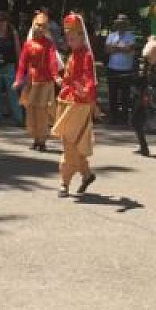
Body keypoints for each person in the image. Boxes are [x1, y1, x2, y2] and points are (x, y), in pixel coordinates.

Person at [51, 13, 98, 198]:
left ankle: (64, 183)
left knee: (70, 145)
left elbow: (89, 80)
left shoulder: (86, 56)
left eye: (72, 36)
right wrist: (60, 80)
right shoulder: (72, 55)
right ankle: (86, 174)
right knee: (71, 144)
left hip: (79, 105)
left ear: (81, 36)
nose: (69, 40)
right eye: (67, 36)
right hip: (67, 102)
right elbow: (69, 79)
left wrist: (83, 90)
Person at [15, 12, 58, 151]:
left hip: (45, 82)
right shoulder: (28, 44)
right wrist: (18, 80)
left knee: (42, 111)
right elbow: (22, 63)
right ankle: (35, 138)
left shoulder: (49, 44)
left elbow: (52, 61)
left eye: (43, 26)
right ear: (33, 25)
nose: (40, 28)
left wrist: (55, 75)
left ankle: (42, 140)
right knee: (31, 111)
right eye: (38, 25)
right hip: (31, 82)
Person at [104, 14, 137, 125]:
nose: (121, 24)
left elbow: (130, 49)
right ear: (116, 24)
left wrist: (115, 47)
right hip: (112, 68)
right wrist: (122, 47)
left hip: (126, 70)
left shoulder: (131, 36)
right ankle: (113, 118)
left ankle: (124, 118)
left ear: (126, 24)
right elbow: (108, 50)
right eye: (119, 22)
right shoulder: (111, 35)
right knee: (112, 95)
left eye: (123, 22)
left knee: (125, 96)